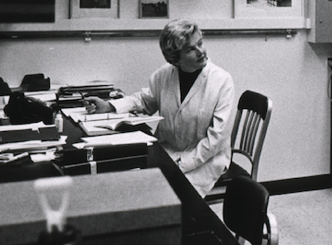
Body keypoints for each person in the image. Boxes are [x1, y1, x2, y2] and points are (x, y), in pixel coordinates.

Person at [86, 19, 235, 197]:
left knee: (172, 196)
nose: (200, 52)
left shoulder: (222, 81)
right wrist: (109, 106)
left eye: (200, 43)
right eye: (190, 50)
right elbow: (144, 100)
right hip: (169, 150)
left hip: (206, 159)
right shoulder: (163, 75)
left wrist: (184, 164)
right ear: (176, 59)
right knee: (136, 187)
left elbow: (216, 139)